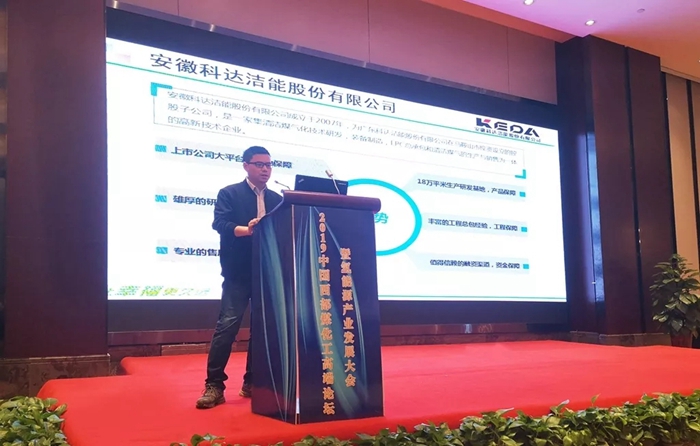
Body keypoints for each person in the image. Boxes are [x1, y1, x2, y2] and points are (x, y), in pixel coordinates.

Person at [196, 145, 283, 409]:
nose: (265, 169)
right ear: (246, 165)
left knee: (262, 330)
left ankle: (252, 382)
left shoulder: (278, 199)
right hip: (238, 272)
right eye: (259, 164)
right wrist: (247, 229)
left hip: (267, 273)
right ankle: (214, 385)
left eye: (269, 165)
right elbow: (219, 224)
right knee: (227, 326)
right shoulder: (230, 193)